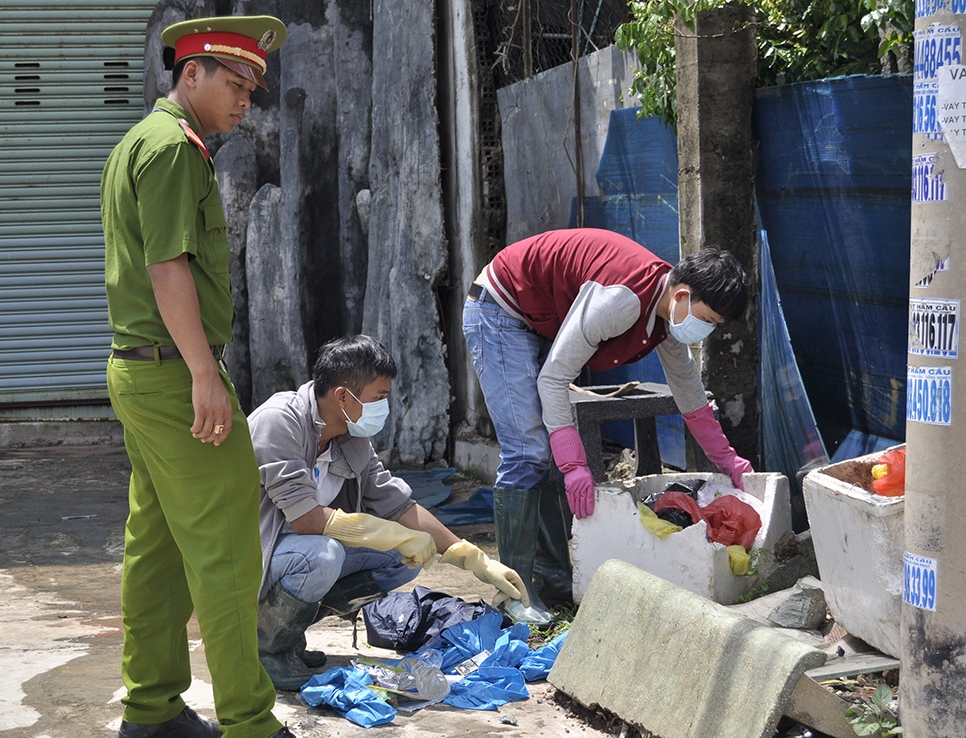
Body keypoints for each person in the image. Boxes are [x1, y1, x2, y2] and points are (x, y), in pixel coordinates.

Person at [100, 15, 295, 738]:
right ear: (191, 75)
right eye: (234, 83)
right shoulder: (173, 150)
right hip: (171, 376)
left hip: (143, 373)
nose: (245, 99)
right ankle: (249, 720)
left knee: (157, 548)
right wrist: (204, 376)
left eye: (252, 88)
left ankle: (150, 709)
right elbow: (167, 267)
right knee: (226, 550)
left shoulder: (139, 144)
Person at [462, 228, 753, 625]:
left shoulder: (666, 311)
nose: (705, 331)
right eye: (706, 320)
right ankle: (514, 591)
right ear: (683, 294)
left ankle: (551, 581)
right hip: (501, 308)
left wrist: (728, 459)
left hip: (540, 318)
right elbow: (554, 379)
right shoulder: (623, 301)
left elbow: (688, 390)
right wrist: (572, 464)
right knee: (527, 451)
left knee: (541, 450)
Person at [249, 334, 529, 690]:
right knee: (324, 554)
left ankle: (288, 637)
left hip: (296, 553)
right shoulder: (280, 420)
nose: (385, 406)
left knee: (400, 557)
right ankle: (265, 649)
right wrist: (389, 534)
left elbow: (398, 505)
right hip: (255, 554)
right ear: (342, 396)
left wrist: (472, 558)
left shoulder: (350, 438)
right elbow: (305, 519)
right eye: (379, 397)